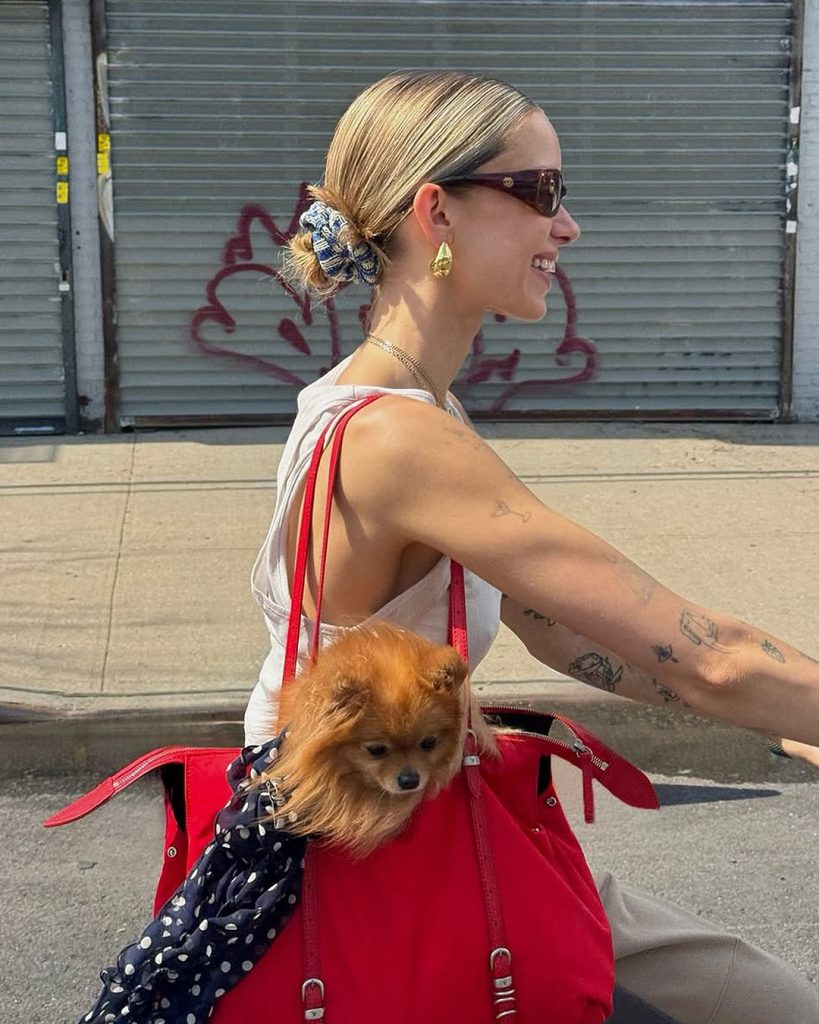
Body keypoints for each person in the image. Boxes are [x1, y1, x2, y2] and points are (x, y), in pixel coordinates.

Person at [245, 71, 819, 1023]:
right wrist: (735, 690)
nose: (567, 226)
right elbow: (710, 655)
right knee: (763, 1008)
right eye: (541, 192)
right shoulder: (398, 437)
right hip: (384, 854)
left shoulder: (396, 407)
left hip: (408, 829)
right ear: (436, 211)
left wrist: (779, 718)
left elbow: (558, 626)